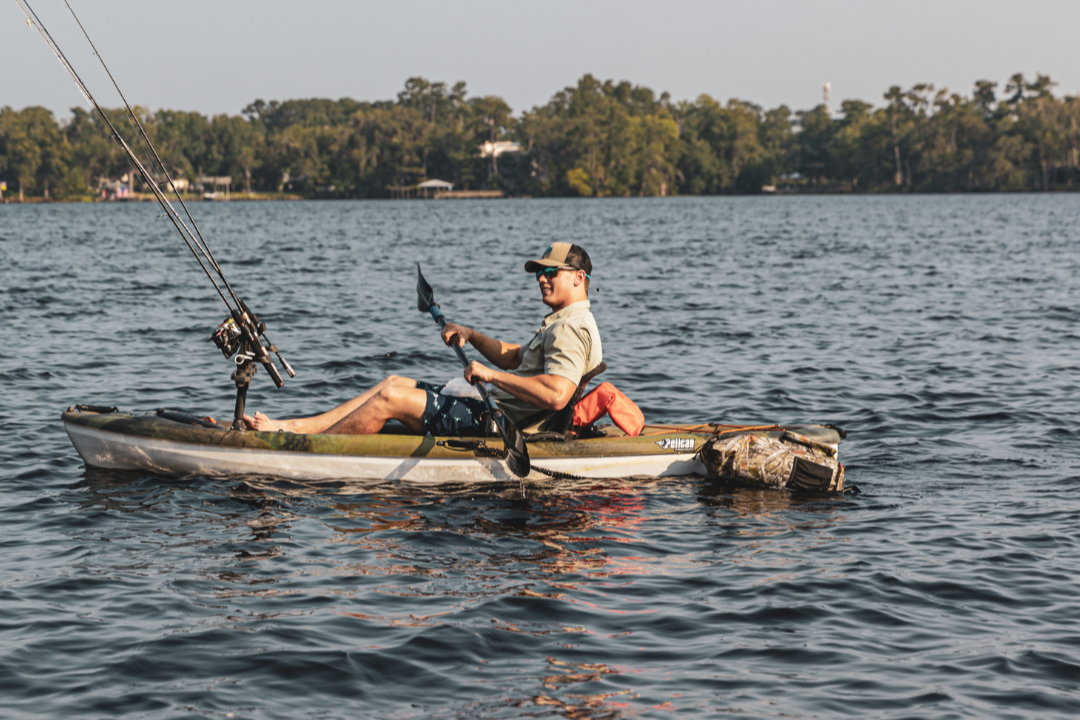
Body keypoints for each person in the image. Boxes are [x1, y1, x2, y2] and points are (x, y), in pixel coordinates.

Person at [243, 242, 602, 436]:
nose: (542, 278)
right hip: (493, 405)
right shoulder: (563, 321)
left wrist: (490, 376)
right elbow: (514, 358)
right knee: (394, 381)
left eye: (551, 271)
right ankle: (294, 428)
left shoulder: (570, 328)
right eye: (540, 272)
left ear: (578, 277)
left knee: (389, 398)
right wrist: (472, 334)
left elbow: (557, 395)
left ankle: (312, 449)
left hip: (498, 421)